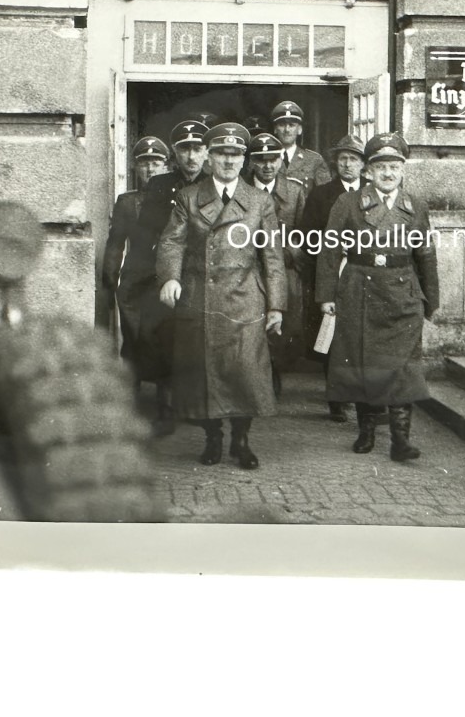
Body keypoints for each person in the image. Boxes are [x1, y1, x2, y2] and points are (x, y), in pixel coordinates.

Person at [156, 122, 287, 470]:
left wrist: (276, 305)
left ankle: (241, 442)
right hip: (202, 296)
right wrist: (170, 277)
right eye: (221, 153)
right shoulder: (188, 197)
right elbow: (172, 241)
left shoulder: (260, 201)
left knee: (244, 371)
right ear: (210, 157)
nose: (229, 161)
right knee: (206, 372)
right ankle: (212, 438)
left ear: (244, 160)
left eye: (235, 154)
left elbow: (272, 256)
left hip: (245, 298)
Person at [316, 132, 439, 461]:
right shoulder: (348, 203)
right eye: (381, 166)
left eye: (395, 167)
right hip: (360, 289)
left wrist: (431, 298)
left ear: (402, 170)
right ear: (367, 170)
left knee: (403, 367)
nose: (388, 173)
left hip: (403, 295)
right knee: (362, 363)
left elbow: (425, 253)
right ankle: (366, 432)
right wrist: (326, 294)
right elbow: (329, 250)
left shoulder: (414, 206)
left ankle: (401, 440)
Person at [126, 118, 215, 435]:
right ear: (175, 154)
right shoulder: (160, 186)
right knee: (163, 340)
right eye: (185, 149)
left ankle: (193, 406)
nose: (191, 157)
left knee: (200, 343)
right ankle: (165, 410)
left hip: (203, 277)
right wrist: (149, 278)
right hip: (165, 275)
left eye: (197, 149)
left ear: (207, 152)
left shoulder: (216, 184)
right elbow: (145, 236)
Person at [297, 133, 366, 423]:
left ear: (364, 165)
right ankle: (336, 398)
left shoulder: (372, 193)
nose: (348, 164)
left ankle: (363, 394)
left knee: (361, 333)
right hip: (331, 272)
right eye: (343, 158)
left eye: (354, 159)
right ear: (335, 162)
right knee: (332, 335)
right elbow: (308, 237)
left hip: (364, 274)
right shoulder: (321, 194)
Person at [101, 136, 170, 408]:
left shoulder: (176, 198)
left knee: (165, 338)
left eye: (156, 163)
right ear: (136, 168)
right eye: (144, 163)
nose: (150, 169)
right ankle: (130, 398)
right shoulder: (127, 202)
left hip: (164, 278)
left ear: (166, 166)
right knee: (133, 338)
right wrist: (109, 280)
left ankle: (166, 401)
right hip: (134, 282)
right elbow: (115, 243)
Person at [246, 131, 309, 392]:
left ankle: (275, 365)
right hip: (249, 269)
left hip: (284, 269)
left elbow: (307, 235)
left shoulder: (294, 192)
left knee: (288, 324)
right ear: (251, 162)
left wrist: (293, 253)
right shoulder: (241, 189)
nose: (268, 165)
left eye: (274, 159)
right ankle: (260, 374)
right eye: (261, 160)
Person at [271, 100, 331, 192]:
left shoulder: (314, 160)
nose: (287, 130)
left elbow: (325, 195)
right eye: (282, 125)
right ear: (275, 129)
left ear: (299, 130)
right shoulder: (265, 158)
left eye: (291, 125)